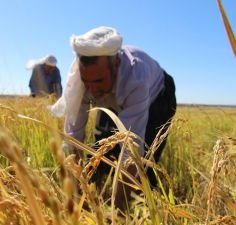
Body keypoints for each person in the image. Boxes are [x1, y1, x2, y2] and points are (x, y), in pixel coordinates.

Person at [50, 26, 176, 211]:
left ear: (116, 65)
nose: (92, 89)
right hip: (113, 94)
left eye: (98, 80)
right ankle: (94, 192)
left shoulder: (136, 80)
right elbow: (73, 139)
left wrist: (118, 212)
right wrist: (74, 196)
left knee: (144, 163)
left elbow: (130, 151)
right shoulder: (80, 82)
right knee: (100, 152)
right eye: (88, 82)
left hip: (158, 97)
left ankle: (140, 208)